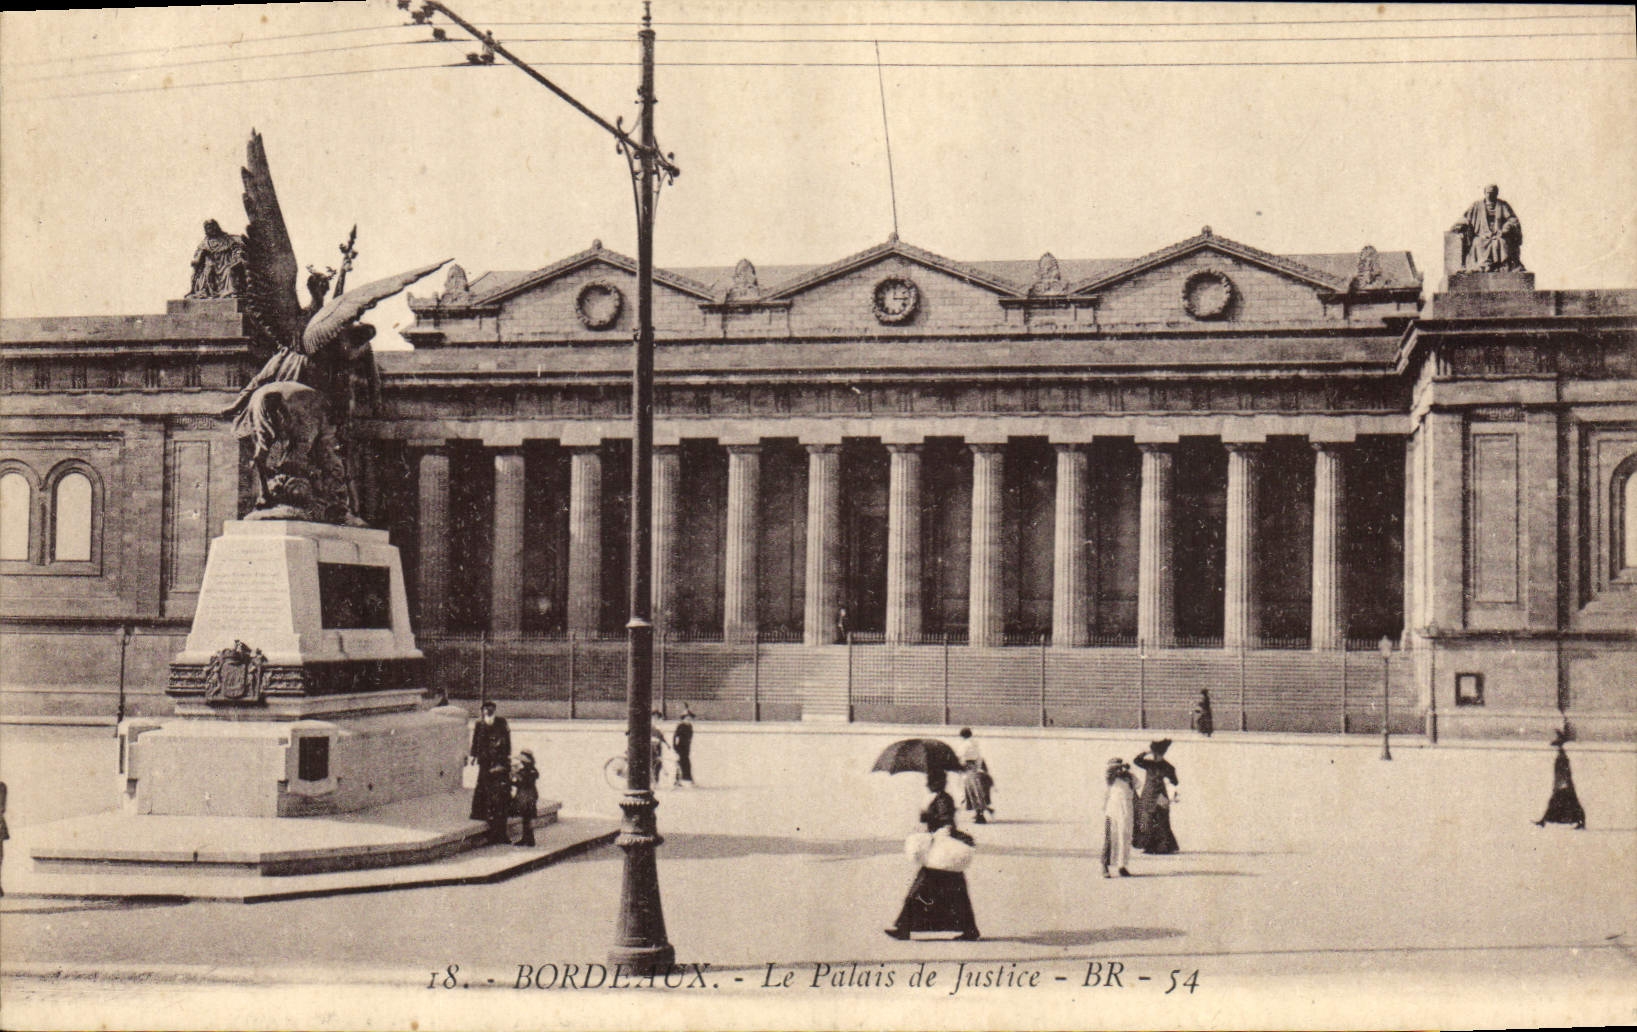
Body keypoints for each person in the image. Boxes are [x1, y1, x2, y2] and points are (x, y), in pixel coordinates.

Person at [886, 768, 981, 941]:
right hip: (943, 852)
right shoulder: (940, 798)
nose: (927, 784)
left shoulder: (942, 799)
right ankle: (970, 930)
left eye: (930, 781)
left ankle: (904, 928)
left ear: (938, 782)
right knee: (957, 894)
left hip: (941, 851)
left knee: (920, 889)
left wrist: (929, 820)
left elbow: (946, 823)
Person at [1452, 184, 1525, 273]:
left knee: (1502, 242)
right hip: (1482, 235)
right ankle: (1483, 266)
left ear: (1496, 193)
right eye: (1488, 193)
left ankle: (1503, 266)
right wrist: (1460, 225)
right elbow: (1466, 218)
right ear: (1484, 193)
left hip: (1498, 234)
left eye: (1492, 193)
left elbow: (1512, 219)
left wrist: (1506, 228)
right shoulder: (1476, 205)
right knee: (1478, 242)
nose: (1490, 195)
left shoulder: (1503, 205)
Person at [468, 701, 512, 844]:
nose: (488, 711)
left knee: (496, 788)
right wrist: (473, 756)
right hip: (484, 759)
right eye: (486, 709)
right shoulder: (479, 723)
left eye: (490, 709)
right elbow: (475, 741)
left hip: (498, 759)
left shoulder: (501, 722)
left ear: (494, 710)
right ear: (482, 711)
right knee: (482, 785)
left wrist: (506, 755)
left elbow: (507, 739)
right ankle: (478, 812)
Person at [1133, 739, 1180, 854]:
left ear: (1161, 754)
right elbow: (1136, 761)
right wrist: (1145, 752)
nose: (1154, 756)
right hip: (1148, 795)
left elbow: (1175, 782)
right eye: (1153, 754)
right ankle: (1148, 846)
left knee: (1161, 821)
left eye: (1156, 754)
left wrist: (1170, 782)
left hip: (1160, 796)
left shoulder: (1168, 767)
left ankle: (1163, 847)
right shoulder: (1149, 764)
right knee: (1147, 820)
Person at [1535, 727, 1586, 829]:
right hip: (1564, 783)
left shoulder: (1562, 757)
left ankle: (1544, 821)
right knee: (1567, 803)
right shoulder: (1562, 756)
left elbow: (1563, 772)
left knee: (1558, 802)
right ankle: (1544, 820)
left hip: (1563, 783)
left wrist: (1562, 783)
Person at [1102, 758, 1137, 878]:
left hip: (1126, 810)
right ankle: (1105, 866)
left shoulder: (1129, 778)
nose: (1119, 769)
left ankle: (1122, 866)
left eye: (1120, 767)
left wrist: (1126, 772)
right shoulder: (1111, 779)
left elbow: (1138, 784)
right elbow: (1108, 775)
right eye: (1116, 767)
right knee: (1111, 838)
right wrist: (1115, 769)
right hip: (1112, 811)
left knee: (1125, 838)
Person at [957, 727, 995, 823]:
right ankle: (984, 810)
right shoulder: (975, 744)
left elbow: (960, 757)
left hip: (968, 769)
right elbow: (980, 758)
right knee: (978, 791)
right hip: (977, 769)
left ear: (962, 736)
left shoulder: (964, 745)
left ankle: (980, 814)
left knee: (972, 792)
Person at [512, 750, 540, 846]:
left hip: (527, 796)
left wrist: (515, 778)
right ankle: (527, 838)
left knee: (527, 817)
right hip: (529, 795)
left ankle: (529, 839)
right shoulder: (531, 770)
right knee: (527, 817)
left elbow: (524, 783)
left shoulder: (528, 772)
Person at [672, 706, 696, 786]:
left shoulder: (690, 727)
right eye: (687, 719)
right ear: (683, 719)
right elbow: (675, 737)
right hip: (680, 748)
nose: (689, 720)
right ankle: (680, 780)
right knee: (681, 763)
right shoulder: (680, 726)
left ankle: (682, 780)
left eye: (690, 719)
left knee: (685, 763)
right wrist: (675, 748)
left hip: (686, 748)